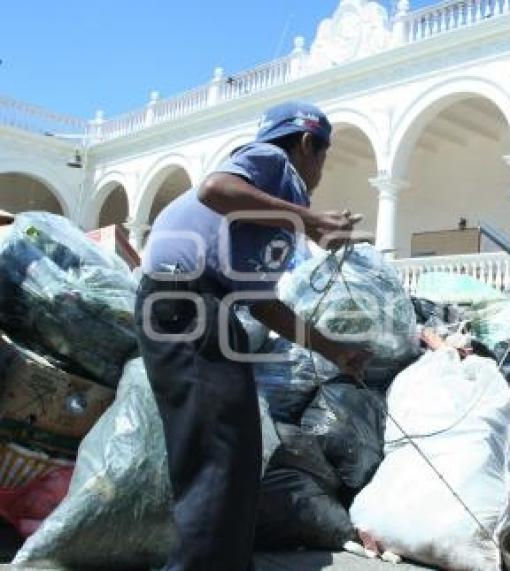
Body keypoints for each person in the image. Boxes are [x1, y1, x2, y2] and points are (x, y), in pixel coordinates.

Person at [135, 101, 368, 571]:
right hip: (184, 303)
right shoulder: (271, 161)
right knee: (218, 455)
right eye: (323, 156)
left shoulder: (270, 217)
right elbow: (215, 188)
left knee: (236, 454)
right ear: (307, 144)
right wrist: (312, 220)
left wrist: (334, 350)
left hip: (207, 311)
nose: (320, 170)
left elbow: (262, 302)